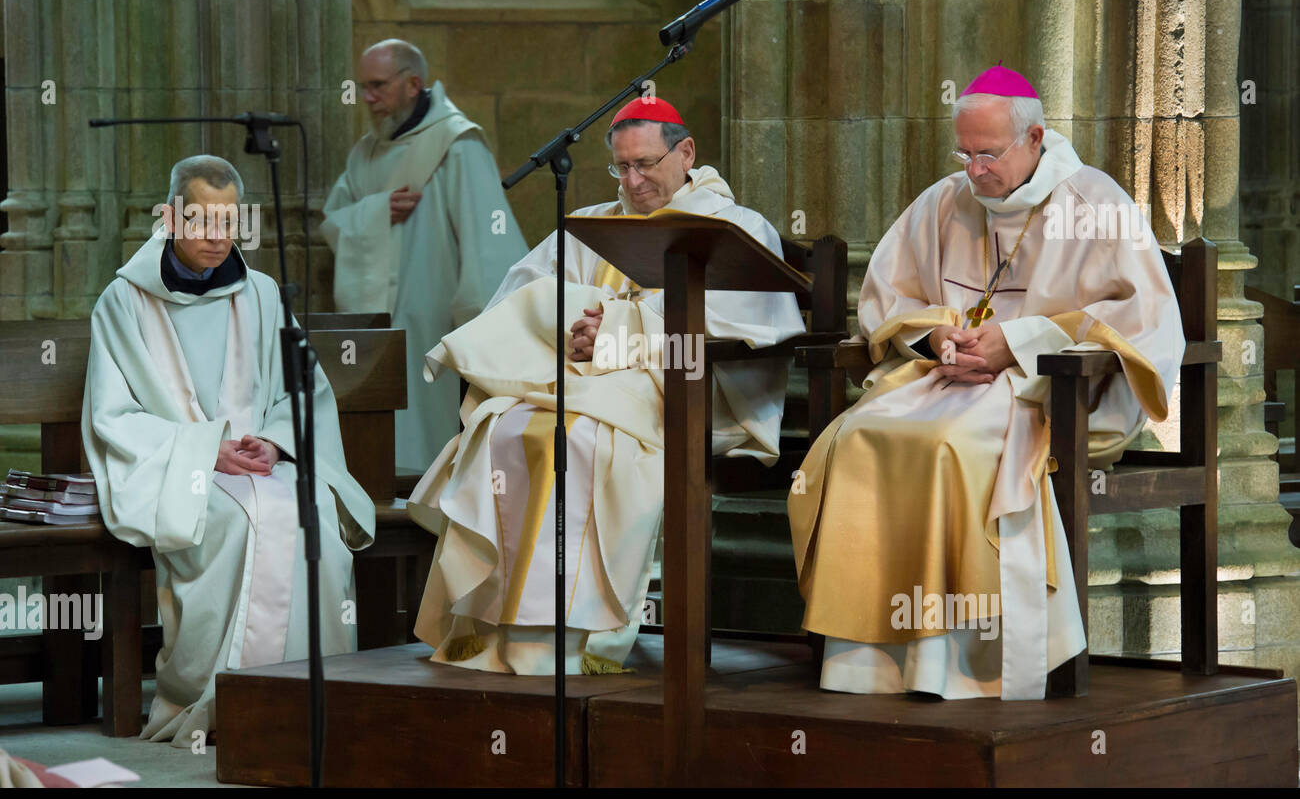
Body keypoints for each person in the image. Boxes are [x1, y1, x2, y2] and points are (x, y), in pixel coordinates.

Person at [789, 66, 1185, 700]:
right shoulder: (945, 201)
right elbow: (889, 296)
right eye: (964, 153)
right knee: (860, 437)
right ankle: (872, 660)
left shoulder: (1096, 204)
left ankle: (959, 664)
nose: (974, 171)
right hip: (944, 377)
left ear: (1035, 138)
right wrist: (936, 336)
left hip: (1048, 391)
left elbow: (1145, 322)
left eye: (988, 154)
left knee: (947, 445)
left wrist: (1018, 343)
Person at [407, 97, 806, 674]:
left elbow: (740, 327)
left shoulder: (733, 227)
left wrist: (617, 331)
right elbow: (522, 297)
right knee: (503, 425)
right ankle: (496, 623)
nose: (633, 180)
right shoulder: (592, 224)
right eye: (622, 167)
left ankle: (574, 635)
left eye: (645, 164)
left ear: (686, 151)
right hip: (582, 382)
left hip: (683, 389)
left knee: (578, 437)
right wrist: (571, 328)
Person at [82, 155, 375, 746]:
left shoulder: (262, 294)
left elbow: (302, 390)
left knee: (313, 513)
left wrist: (274, 440)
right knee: (237, 525)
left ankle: (315, 697)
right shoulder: (125, 301)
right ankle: (227, 700)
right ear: (169, 217)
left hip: (260, 462)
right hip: (179, 469)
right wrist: (202, 449)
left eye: (229, 225)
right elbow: (113, 415)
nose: (218, 240)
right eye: (202, 224)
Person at [322, 39, 528, 473]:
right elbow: (333, 222)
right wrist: (375, 213)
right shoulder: (366, 153)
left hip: (433, 320)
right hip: (379, 322)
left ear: (413, 83)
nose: (368, 98)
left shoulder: (458, 145)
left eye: (377, 86)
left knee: (428, 436)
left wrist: (481, 324)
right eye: (363, 87)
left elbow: (487, 237)